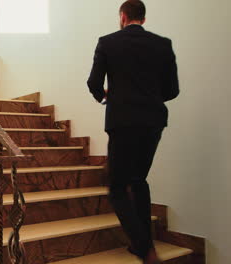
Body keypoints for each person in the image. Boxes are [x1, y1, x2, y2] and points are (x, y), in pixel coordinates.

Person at [87, 1, 179, 263]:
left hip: (122, 120)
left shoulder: (107, 42)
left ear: (123, 16)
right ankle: (144, 242)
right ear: (143, 18)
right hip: (153, 121)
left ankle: (144, 248)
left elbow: (94, 83)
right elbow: (172, 90)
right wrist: (147, 97)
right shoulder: (163, 44)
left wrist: (105, 97)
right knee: (139, 180)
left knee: (116, 187)